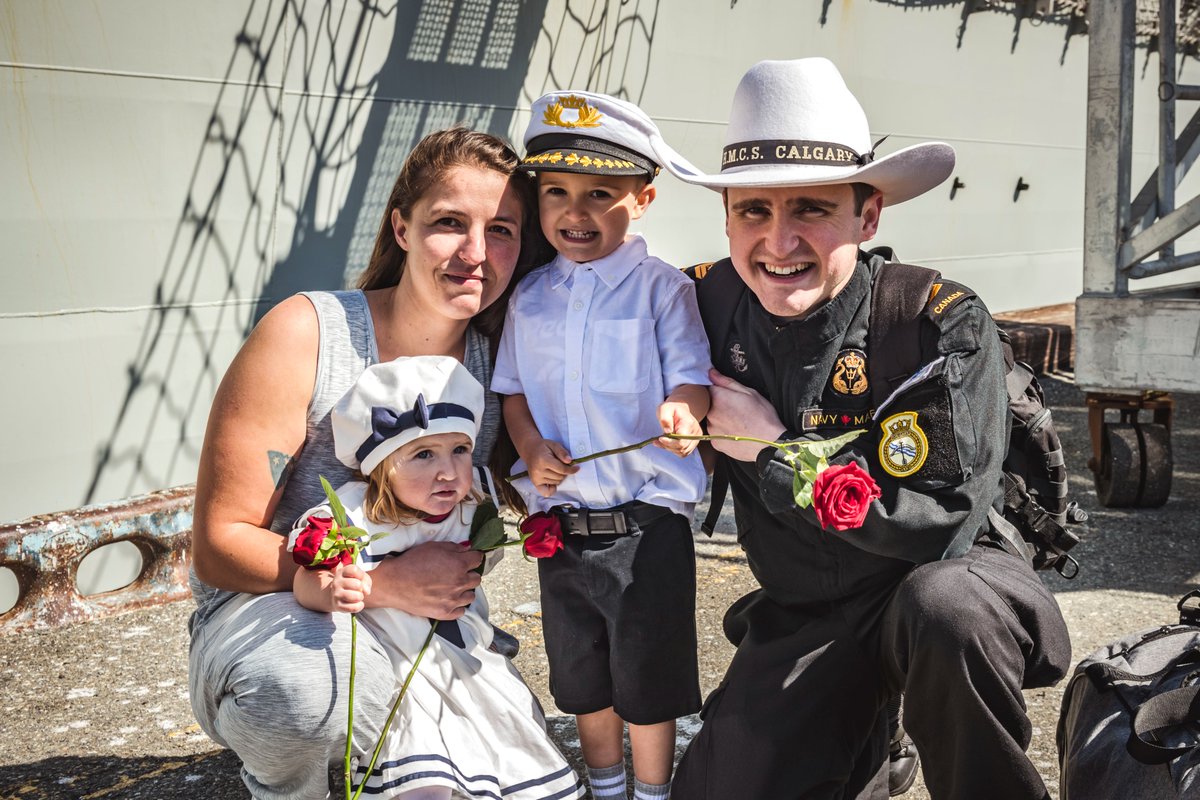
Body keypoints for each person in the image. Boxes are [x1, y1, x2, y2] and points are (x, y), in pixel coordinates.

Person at [660, 58, 1072, 799]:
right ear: (726, 217)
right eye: (754, 211)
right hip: (809, 611)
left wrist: (772, 451)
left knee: (945, 612)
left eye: (810, 210)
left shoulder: (934, 319)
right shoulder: (700, 303)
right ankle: (873, 742)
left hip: (945, 582)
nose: (779, 243)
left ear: (869, 215)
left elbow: (938, 523)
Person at [187, 126, 543, 799]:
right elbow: (218, 546)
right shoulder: (308, 334)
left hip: (420, 633)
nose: (476, 253)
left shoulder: (503, 368)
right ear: (401, 228)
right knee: (313, 696)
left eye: (501, 230)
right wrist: (383, 584)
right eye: (448, 223)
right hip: (272, 616)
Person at [491, 90, 712, 800]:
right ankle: (606, 785)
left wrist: (684, 409)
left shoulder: (662, 290)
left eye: (599, 193)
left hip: (645, 529)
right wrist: (529, 444)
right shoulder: (529, 297)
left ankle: (650, 792)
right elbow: (514, 389)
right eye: (555, 191)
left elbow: (689, 377)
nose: (573, 212)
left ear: (642, 199)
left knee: (648, 681)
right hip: (564, 526)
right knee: (583, 677)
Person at [287, 356, 584, 799]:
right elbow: (303, 582)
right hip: (399, 669)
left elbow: (534, 490)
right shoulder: (351, 518)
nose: (448, 471)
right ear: (380, 467)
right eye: (423, 455)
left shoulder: (473, 504)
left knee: (503, 739)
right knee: (424, 770)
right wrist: (336, 589)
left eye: (459, 450)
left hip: (465, 657)